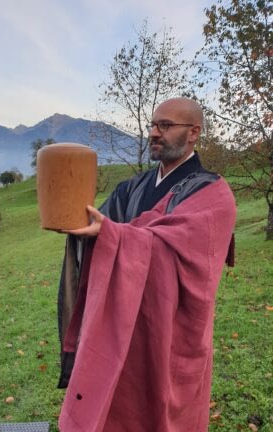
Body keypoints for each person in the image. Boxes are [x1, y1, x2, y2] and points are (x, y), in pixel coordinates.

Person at [56, 97, 236, 431]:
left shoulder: (213, 194)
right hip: (122, 322)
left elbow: (187, 253)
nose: (154, 133)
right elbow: (101, 234)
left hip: (173, 329)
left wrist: (113, 235)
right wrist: (82, 228)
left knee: (167, 410)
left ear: (194, 132)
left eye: (165, 126)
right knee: (120, 406)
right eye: (153, 125)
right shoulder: (131, 188)